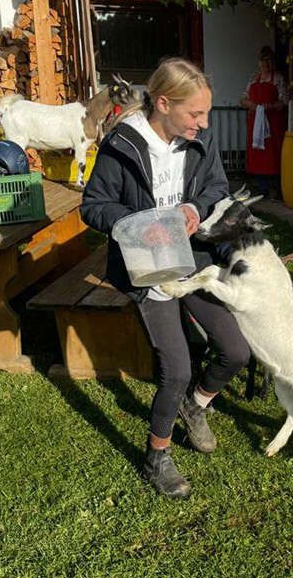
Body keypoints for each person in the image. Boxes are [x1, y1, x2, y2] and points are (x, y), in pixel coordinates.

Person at [81, 57, 250, 500]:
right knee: (175, 369)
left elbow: (217, 188)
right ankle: (158, 455)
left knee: (235, 350)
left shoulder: (199, 141)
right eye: (195, 113)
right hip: (146, 267)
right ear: (162, 104)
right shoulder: (122, 145)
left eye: (206, 113)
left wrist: (193, 209)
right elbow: (93, 206)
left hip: (192, 259)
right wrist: (140, 221)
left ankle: (196, 406)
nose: (204, 122)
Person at [240, 45, 288, 199]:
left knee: (273, 153)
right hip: (256, 123)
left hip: (272, 124)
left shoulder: (278, 78)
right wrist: (252, 105)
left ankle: (275, 187)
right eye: (262, 62)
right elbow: (242, 99)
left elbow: (284, 101)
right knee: (258, 154)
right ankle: (261, 187)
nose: (265, 65)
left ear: (272, 63)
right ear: (259, 62)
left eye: (268, 62)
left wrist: (270, 106)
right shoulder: (254, 78)